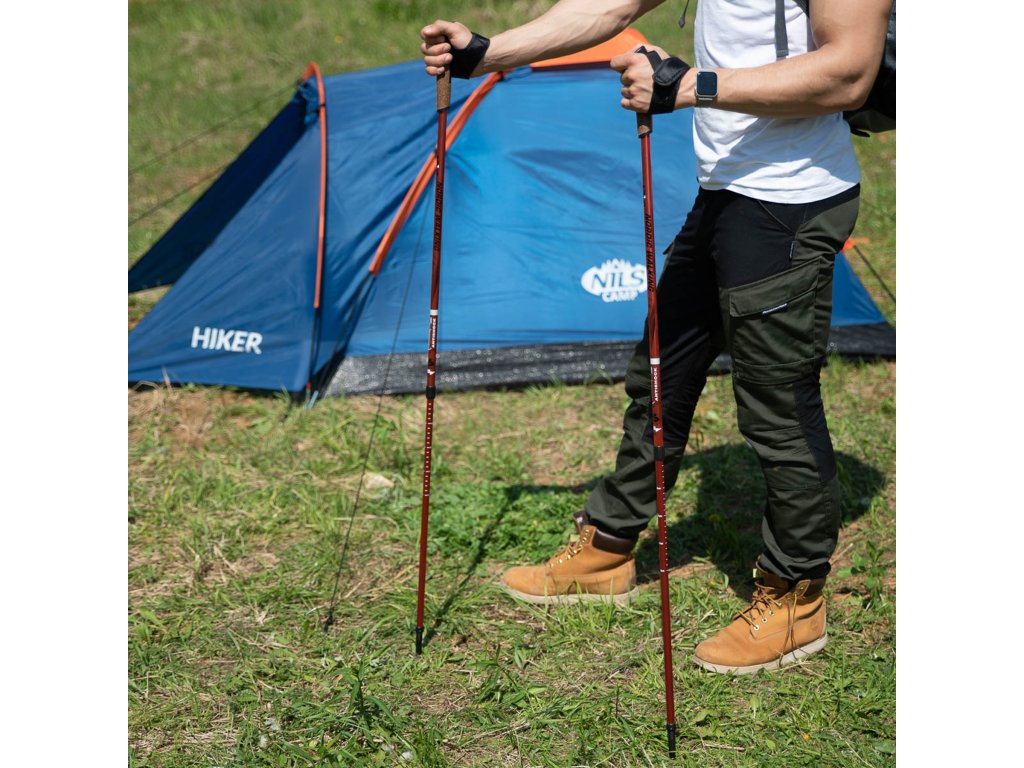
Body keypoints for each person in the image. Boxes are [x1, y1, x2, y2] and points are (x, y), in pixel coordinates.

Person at [420, 0, 892, 674]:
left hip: (790, 201)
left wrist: (693, 86)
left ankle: (796, 596)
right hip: (725, 190)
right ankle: (609, 547)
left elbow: (849, 71)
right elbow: (610, 4)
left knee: (777, 407)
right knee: (661, 373)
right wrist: (487, 53)